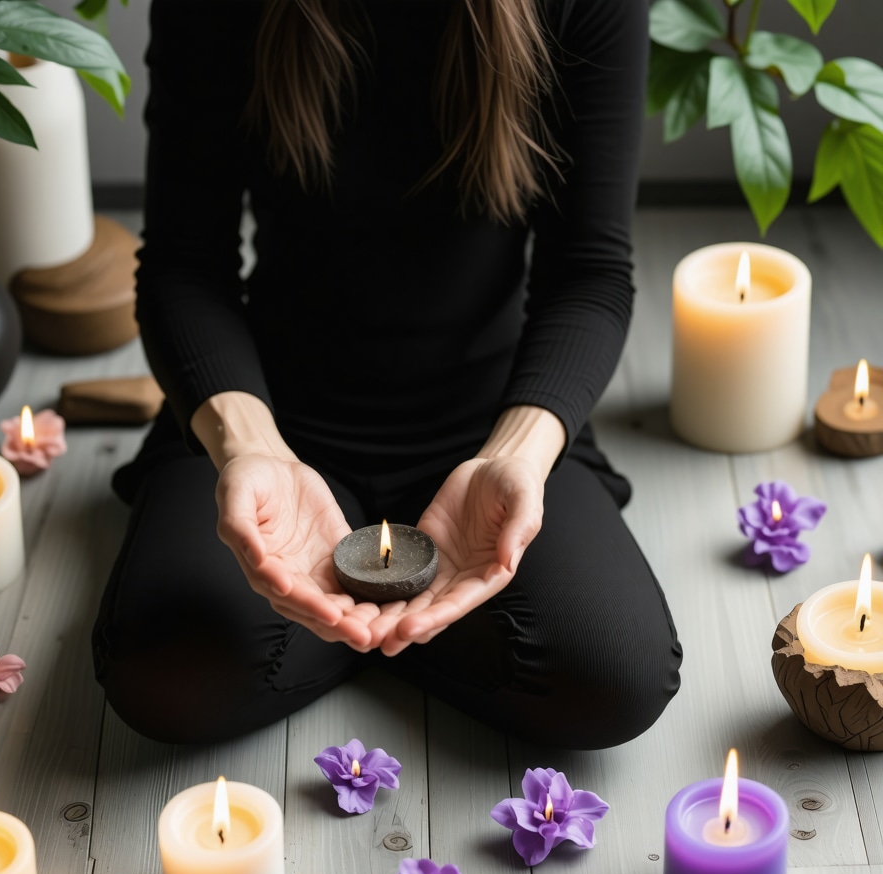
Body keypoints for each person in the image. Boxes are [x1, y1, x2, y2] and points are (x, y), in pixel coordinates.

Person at [92, 0, 682, 747]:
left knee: (614, 677)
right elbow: (184, 266)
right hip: (270, 419)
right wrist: (250, 448)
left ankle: (340, 633)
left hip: (493, 428)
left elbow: (590, 275)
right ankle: (388, 626)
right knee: (166, 676)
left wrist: (517, 453)